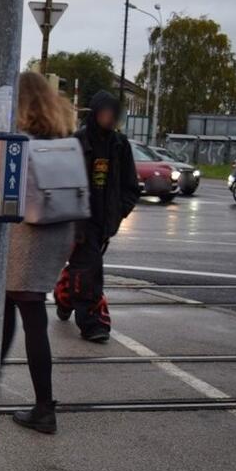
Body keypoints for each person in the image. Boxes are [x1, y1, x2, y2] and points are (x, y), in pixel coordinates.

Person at [2, 72, 80, 434]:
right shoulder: (62, 136)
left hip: (26, 232)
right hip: (59, 225)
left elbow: (6, 194)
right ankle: (24, 400)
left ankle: (44, 408)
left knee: (24, 312)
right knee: (14, 310)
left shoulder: (20, 142)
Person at [53, 90, 139, 343]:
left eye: (113, 114)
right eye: (104, 113)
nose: (108, 118)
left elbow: (130, 185)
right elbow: (62, 182)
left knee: (85, 267)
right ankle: (93, 323)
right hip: (79, 220)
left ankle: (64, 297)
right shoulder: (77, 142)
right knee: (90, 271)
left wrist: (120, 212)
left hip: (106, 221)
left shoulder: (120, 145)